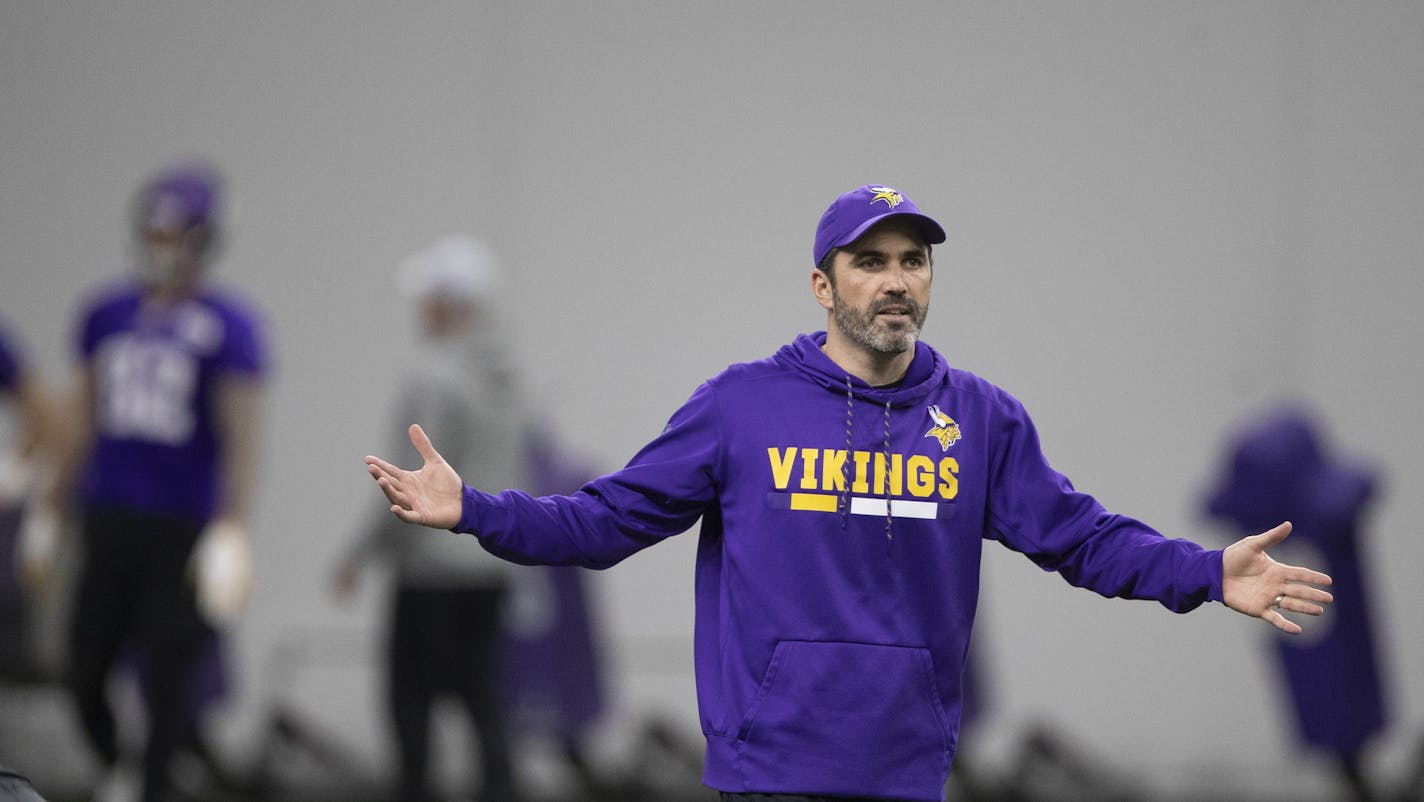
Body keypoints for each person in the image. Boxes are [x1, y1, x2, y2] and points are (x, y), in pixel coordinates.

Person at [364, 184, 1335, 802]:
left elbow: (1079, 538)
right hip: (770, 764)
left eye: (911, 260)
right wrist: (475, 509)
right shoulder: (738, 408)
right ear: (821, 287)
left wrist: (1204, 572)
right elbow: (606, 519)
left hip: (906, 763)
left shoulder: (979, 420)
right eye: (868, 262)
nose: (894, 281)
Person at [36, 161, 268, 802]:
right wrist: (50, 505)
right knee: (84, 664)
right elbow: (79, 413)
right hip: (109, 513)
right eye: (155, 230)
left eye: (175, 232)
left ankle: (156, 782)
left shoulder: (230, 324)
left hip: (181, 523)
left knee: (169, 673)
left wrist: (232, 528)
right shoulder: (105, 312)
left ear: (204, 237)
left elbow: (240, 436)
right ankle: (122, 763)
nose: (160, 244)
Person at [333, 234, 522, 802]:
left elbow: (407, 478)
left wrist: (358, 554)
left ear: (447, 302)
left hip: (430, 567)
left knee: (411, 702)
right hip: (491, 562)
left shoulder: (431, 374)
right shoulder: (506, 377)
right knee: (485, 699)